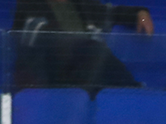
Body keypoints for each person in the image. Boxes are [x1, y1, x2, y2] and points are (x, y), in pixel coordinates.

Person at [11, 1, 154, 89]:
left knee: (94, 52)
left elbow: (110, 13)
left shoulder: (83, 3)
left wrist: (138, 13)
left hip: (88, 73)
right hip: (53, 77)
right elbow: (30, 41)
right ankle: (132, 90)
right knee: (94, 49)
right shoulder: (30, 4)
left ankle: (131, 94)